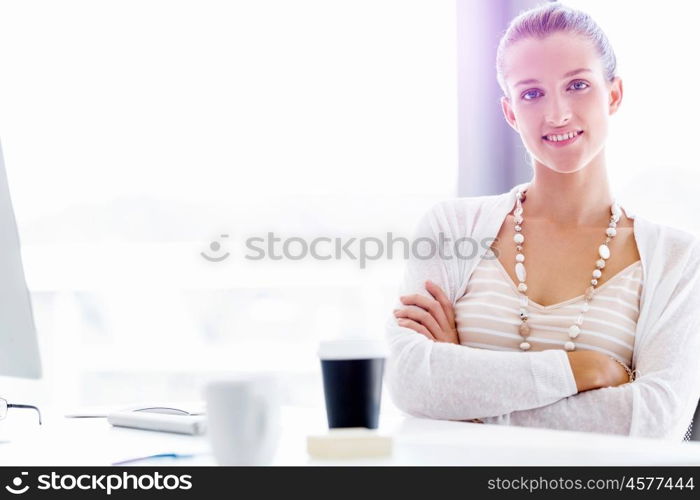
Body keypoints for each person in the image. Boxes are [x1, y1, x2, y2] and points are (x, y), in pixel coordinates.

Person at [385, 2, 700, 441]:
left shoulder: (678, 261)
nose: (557, 114)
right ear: (511, 112)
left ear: (614, 94)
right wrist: (576, 369)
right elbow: (409, 381)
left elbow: (655, 421)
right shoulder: (451, 228)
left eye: (577, 85)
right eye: (532, 93)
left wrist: (465, 399)